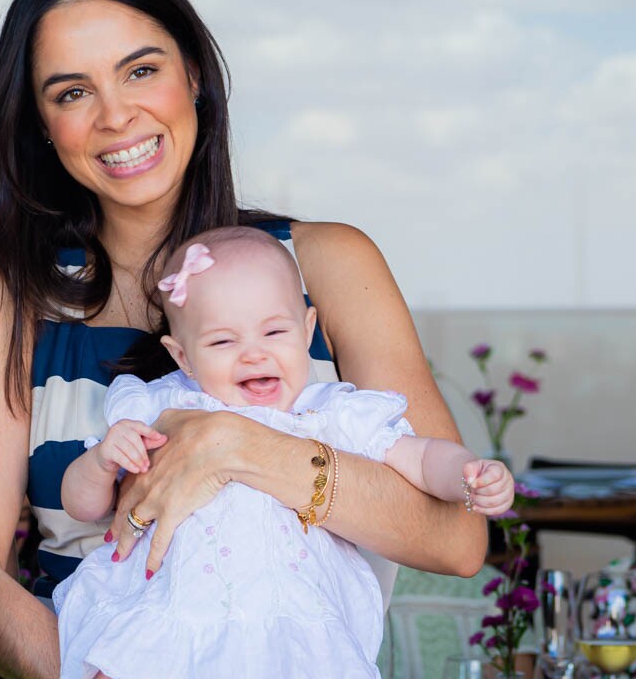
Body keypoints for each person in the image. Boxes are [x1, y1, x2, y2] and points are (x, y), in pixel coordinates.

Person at [0, 0, 489, 678]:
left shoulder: (328, 265)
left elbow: (457, 539)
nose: (116, 115)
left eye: (141, 70)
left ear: (194, 73)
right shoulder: (10, 296)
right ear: (39, 123)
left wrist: (238, 446)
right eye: (72, 92)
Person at [54, 228, 513, 678]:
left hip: (290, 622)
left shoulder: (331, 414)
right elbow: (85, 506)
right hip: (171, 613)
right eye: (222, 341)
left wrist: (467, 474)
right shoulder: (162, 410)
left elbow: (419, 457)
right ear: (183, 357)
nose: (254, 355)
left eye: (274, 331)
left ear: (307, 328)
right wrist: (101, 462)